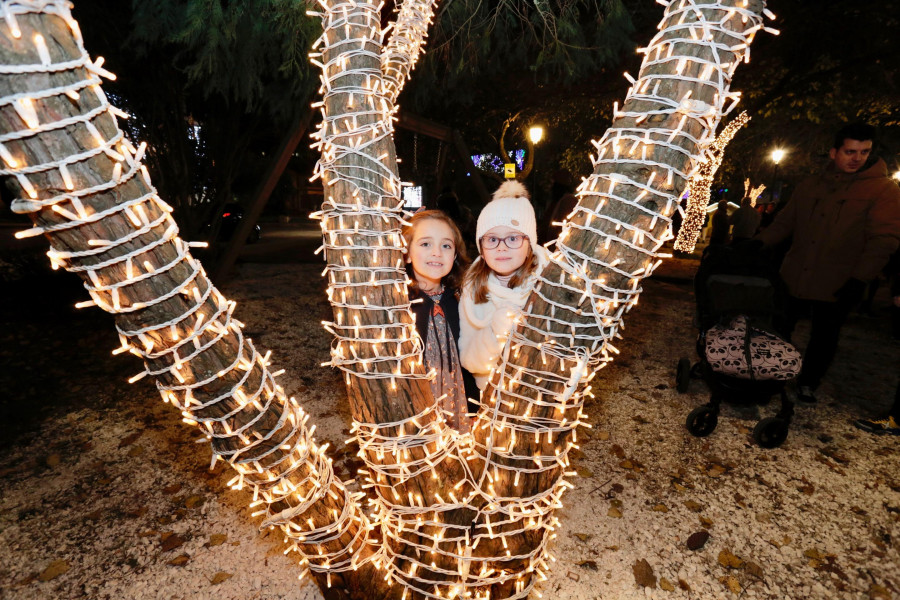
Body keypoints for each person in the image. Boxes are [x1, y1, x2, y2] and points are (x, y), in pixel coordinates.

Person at [756, 122, 900, 403]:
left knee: (824, 337)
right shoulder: (811, 185)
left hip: (838, 281)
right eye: (850, 151)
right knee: (779, 327)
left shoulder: (883, 190)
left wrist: (860, 279)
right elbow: (786, 221)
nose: (857, 158)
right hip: (795, 274)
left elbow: (884, 239)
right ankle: (770, 375)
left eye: (864, 152)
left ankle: (808, 382)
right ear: (834, 152)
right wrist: (759, 242)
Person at [459, 181, 549, 392]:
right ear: (480, 246)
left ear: (530, 243)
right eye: (491, 239)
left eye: (512, 238)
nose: (501, 247)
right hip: (494, 400)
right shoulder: (473, 289)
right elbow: (469, 360)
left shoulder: (548, 281)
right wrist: (495, 332)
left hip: (543, 394)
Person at [403, 210, 479, 432]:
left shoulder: (462, 300)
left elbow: (471, 357)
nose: (436, 252)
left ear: (455, 255)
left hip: (459, 402)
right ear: (406, 253)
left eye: (446, 246)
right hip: (416, 406)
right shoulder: (398, 302)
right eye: (425, 244)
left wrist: (474, 406)